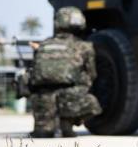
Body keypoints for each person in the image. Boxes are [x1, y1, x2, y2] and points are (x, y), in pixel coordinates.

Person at [28, 7, 101, 138]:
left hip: (41, 99)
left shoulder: (43, 45)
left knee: (43, 132)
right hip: (70, 98)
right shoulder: (84, 47)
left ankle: (45, 124)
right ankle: (66, 122)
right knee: (92, 102)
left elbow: (33, 72)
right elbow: (92, 74)